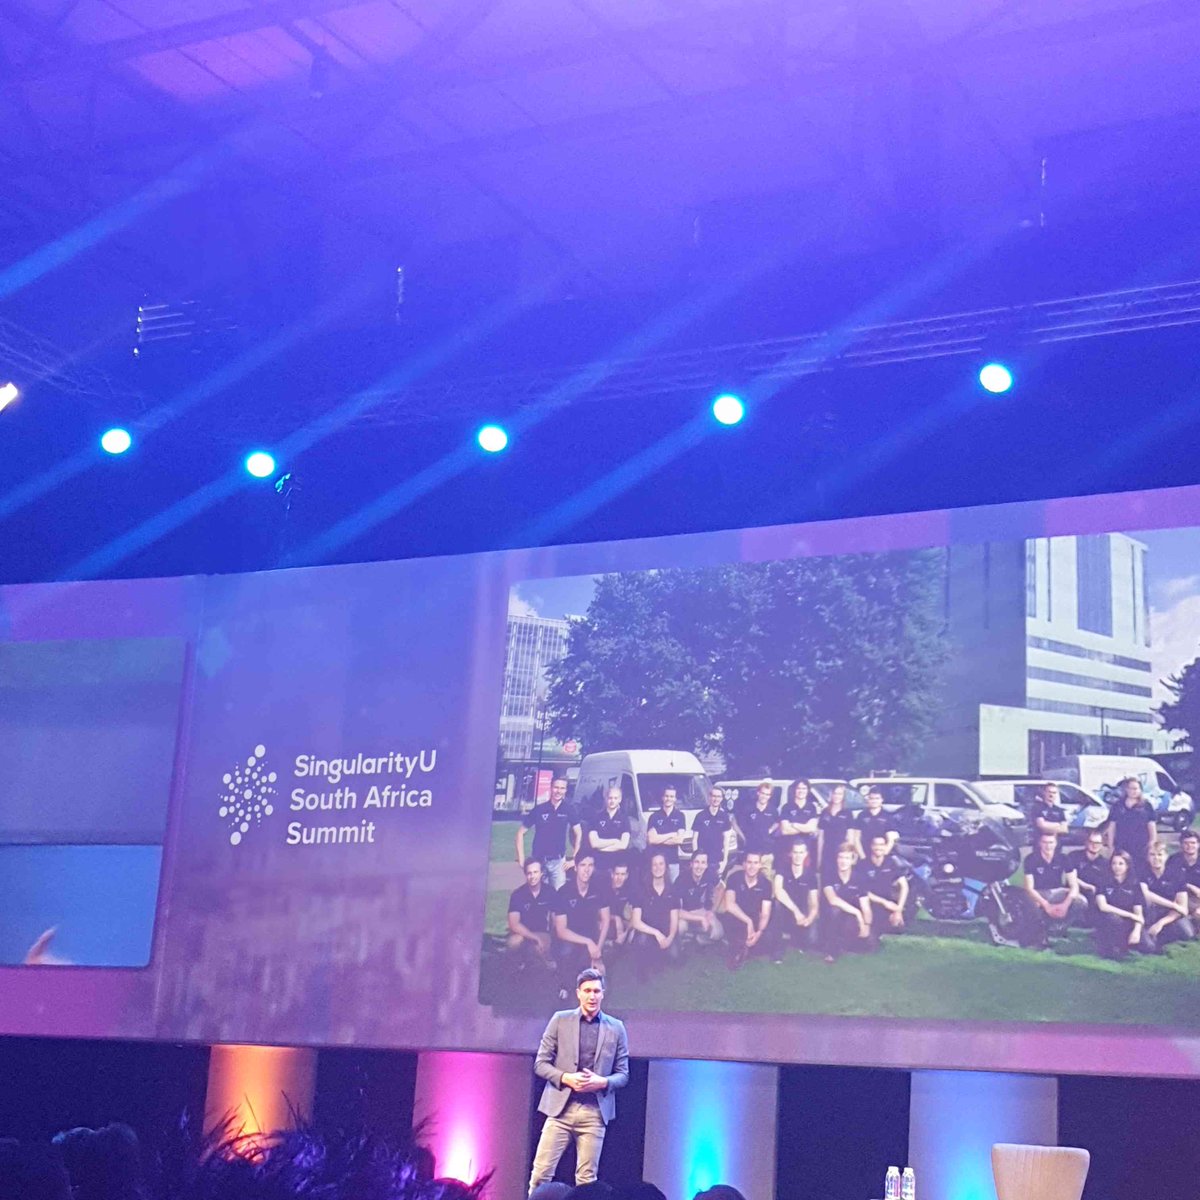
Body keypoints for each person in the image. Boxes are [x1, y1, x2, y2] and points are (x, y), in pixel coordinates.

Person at [528, 968, 630, 1196]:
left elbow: (623, 1074)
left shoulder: (616, 1027)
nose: (592, 996)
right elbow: (541, 1063)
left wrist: (602, 1082)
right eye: (587, 991)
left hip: (594, 1113)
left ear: (603, 993)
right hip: (560, 1110)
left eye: (596, 991)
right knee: (541, 1175)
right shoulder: (560, 1020)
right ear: (578, 993)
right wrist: (566, 1078)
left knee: (587, 1182)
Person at [553, 852, 611, 996]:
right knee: (566, 951)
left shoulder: (599, 890)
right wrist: (588, 942)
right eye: (583, 865)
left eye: (590, 865)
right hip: (570, 938)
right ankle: (564, 985)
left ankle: (586, 969)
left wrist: (597, 950)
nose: (587, 870)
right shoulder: (563, 892)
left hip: (592, 937)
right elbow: (561, 930)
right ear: (576, 868)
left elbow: (606, 920)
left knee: (599, 979)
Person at [1022, 832, 1083, 948]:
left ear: (1056, 844)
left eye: (1051, 842)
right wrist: (1046, 905)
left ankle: (1058, 928)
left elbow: (1074, 885)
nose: (1048, 846)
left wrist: (1065, 905)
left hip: (1057, 891)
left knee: (1081, 901)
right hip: (1039, 893)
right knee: (1031, 903)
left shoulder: (1063, 858)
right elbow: (1029, 888)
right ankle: (1040, 932)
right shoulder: (1030, 859)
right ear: (1040, 843)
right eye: (1045, 842)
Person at [519, 777, 582, 889]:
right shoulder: (539, 809)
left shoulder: (569, 809)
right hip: (538, 861)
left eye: (562, 788)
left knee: (559, 896)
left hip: (558, 864)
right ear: (551, 787)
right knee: (538, 895)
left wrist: (575, 859)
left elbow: (579, 833)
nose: (558, 791)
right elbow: (520, 834)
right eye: (556, 787)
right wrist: (521, 858)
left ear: (566, 790)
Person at [628, 852, 680, 976]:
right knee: (642, 941)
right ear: (650, 868)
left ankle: (658, 956)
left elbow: (674, 919)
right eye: (654, 864)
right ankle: (643, 966)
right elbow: (636, 922)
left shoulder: (672, 890)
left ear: (666, 867)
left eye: (661, 864)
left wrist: (670, 938)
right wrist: (656, 933)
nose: (658, 867)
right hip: (647, 931)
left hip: (664, 931)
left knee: (675, 956)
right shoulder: (641, 890)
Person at [1140, 839, 1196, 951]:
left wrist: (1161, 923)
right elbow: (1146, 894)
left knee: (1187, 934)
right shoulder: (1142, 872)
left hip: (1170, 915)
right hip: (1150, 912)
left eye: (1159, 854)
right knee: (1148, 947)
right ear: (1147, 857)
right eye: (1152, 855)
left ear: (1166, 856)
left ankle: (1161, 935)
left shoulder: (1177, 874)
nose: (1156, 858)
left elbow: (1183, 907)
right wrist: (1173, 905)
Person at [768, 840, 819, 962]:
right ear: (790, 854)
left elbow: (814, 903)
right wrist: (796, 912)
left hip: (802, 913)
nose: (798, 856)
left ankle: (794, 936)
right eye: (795, 852)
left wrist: (810, 918)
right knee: (777, 904)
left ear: (806, 854)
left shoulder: (811, 875)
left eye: (801, 852)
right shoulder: (782, 870)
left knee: (812, 939)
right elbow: (778, 891)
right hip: (785, 910)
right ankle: (778, 948)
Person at [821, 843, 872, 962]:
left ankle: (847, 945)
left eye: (847, 858)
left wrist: (866, 924)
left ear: (853, 860)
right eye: (841, 857)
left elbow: (866, 906)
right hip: (831, 916)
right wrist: (858, 913)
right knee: (835, 911)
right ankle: (831, 952)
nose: (843, 861)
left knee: (869, 944)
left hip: (850, 918)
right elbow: (832, 899)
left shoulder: (860, 878)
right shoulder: (829, 875)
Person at [722, 850, 772, 969]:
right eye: (749, 862)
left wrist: (758, 933)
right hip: (737, 916)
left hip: (755, 919)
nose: (752, 866)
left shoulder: (766, 884)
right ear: (744, 864)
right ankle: (738, 949)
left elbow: (765, 913)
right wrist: (748, 922)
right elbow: (729, 904)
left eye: (755, 863)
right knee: (729, 918)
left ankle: (744, 946)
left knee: (766, 939)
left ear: (760, 865)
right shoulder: (734, 878)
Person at [1093, 851, 1145, 959]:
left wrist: (1136, 931)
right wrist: (1129, 915)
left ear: (1127, 865)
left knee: (1149, 946)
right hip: (1109, 919)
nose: (1117, 867)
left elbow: (1138, 914)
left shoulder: (1135, 884)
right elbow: (1103, 906)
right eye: (1114, 863)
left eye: (1121, 863)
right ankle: (1112, 945)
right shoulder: (1103, 880)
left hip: (1129, 922)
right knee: (1113, 919)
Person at [508, 858, 556, 968]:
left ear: (541, 873)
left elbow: (555, 918)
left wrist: (552, 937)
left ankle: (543, 964)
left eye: (535, 872)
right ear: (525, 874)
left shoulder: (550, 891)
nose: (532, 876)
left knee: (539, 949)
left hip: (541, 932)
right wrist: (533, 937)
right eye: (529, 873)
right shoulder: (517, 894)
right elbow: (514, 924)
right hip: (521, 933)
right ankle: (516, 966)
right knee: (512, 943)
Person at [856, 834, 909, 933]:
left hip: (888, 902)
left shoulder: (891, 863)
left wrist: (898, 909)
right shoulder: (862, 865)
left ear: (885, 846)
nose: (878, 847)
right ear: (871, 846)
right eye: (876, 844)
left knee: (898, 925)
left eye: (881, 845)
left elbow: (904, 886)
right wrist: (885, 903)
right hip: (870, 902)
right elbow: (862, 891)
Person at [1104, 777, 1157, 866]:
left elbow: (1152, 827)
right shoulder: (1118, 805)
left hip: (1141, 848)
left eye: (1136, 788)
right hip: (1121, 846)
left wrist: (1152, 844)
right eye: (1131, 788)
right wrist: (1110, 845)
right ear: (1126, 789)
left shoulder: (1147, 806)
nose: (1134, 791)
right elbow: (1112, 826)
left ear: (1140, 790)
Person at [677, 850, 724, 946]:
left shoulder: (710, 873)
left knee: (718, 933)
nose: (699, 866)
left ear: (706, 865)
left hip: (703, 911)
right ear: (691, 864)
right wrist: (700, 919)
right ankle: (682, 943)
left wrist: (713, 911)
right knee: (680, 927)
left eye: (703, 862)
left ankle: (698, 939)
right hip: (686, 914)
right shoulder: (682, 879)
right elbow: (677, 911)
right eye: (696, 862)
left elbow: (721, 888)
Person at [646, 786, 689, 883]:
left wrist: (659, 838)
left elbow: (679, 840)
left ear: (675, 799)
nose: (668, 799)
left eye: (671, 796)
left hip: (673, 861)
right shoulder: (654, 817)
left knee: (674, 888)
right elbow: (651, 840)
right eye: (666, 796)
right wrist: (671, 834)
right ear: (662, 797)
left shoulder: (680, 816)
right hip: (657, 861)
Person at [734, 781, 778, 874]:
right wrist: (742, 837)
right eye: (762, 793)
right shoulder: (748, 808)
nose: (764, 796)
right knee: (749, 878)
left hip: (766, 853)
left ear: (770, 796)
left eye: (767, 794)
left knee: (766, 879)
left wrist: (770, 830)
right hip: (750, 852)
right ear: (758, 793)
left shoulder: (773, 810)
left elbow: (778, 822)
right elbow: (734, 821)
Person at [1067, 830, 1109, 925]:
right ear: (1086, 842)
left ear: (1102, 845)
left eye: (1097, 843)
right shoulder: (1074, 856)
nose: (1094, 845)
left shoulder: (1105, 863)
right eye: (1091, 842)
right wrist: (1086, 886)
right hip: (1075, 890)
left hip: (1094, 894)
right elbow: (1070, 877)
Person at [692, 786, 733, 879]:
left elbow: (726, 840)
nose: (716, 799)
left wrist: (725, 861)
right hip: (703, 860)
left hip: (717, 859)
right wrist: (696, 859)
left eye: (718, 796)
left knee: (717, 885)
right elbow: (694, 840)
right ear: (709, 797)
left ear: (722, 799)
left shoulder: (724, 817)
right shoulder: (700, 816)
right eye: (714, 796)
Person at [817, 785, 855, 882]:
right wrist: (819, 857)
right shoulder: (825, 812)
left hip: (841, 853)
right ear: (831, 795)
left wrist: (850, 855)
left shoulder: (847, 813)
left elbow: (850, 837)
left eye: (840, 794)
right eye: (835, 793)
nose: (837, 796)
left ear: (843, 796)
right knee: (826, 879)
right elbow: (821, 837)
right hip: (827, 852)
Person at [776, 778, 820, 862]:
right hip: (789, 849)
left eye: (804, 788)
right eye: (798, 788)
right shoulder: (787, 807)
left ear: (807, 790)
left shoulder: (811, 807)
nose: (801, 791)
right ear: (795, 790)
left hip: (806, 850)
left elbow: (812, 828)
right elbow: (785, 830)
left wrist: (793, 824)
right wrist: (805, 827)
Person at [587, 787, 630, 869]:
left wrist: (601, 848)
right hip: (600, 863)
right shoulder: (596, 817)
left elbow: (623, 845)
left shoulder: (624, 818)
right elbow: (594, 843)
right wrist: (615, 841)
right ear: (606, 798)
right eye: (610, 798)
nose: (612, 801)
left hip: (618, 863)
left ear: (620, 799)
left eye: (615, 798)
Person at [851, 786, 898, 860]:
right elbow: (856, 838)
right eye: (871, 798)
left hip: (881, 856)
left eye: (877, 798)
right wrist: (862, 857)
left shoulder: (887, 816)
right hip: (864, 854)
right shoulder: (861, 816)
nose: (874, 801)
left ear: (882, 800)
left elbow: (891, 840)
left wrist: (883, 856)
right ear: (868, 799)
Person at [1167, 828, 1200, 923]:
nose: (1190, 846)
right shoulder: (1174, 860)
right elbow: (1170, 880)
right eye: (1186, 843)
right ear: (1181, 845)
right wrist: (1191, 887)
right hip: (1180, 896)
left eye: (1193, 843)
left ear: (1198, 844)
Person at [604, 861, 634, 949]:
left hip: (623, 928)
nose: (619, 878)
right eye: (617, 874)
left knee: (634, 931)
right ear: (612, 874)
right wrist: (616, 918)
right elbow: (597, 912)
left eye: (623, 874)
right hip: (607, 923)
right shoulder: (604, 889)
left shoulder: (629, 891)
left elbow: (634, 917)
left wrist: (625, 933)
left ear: (627, 875)